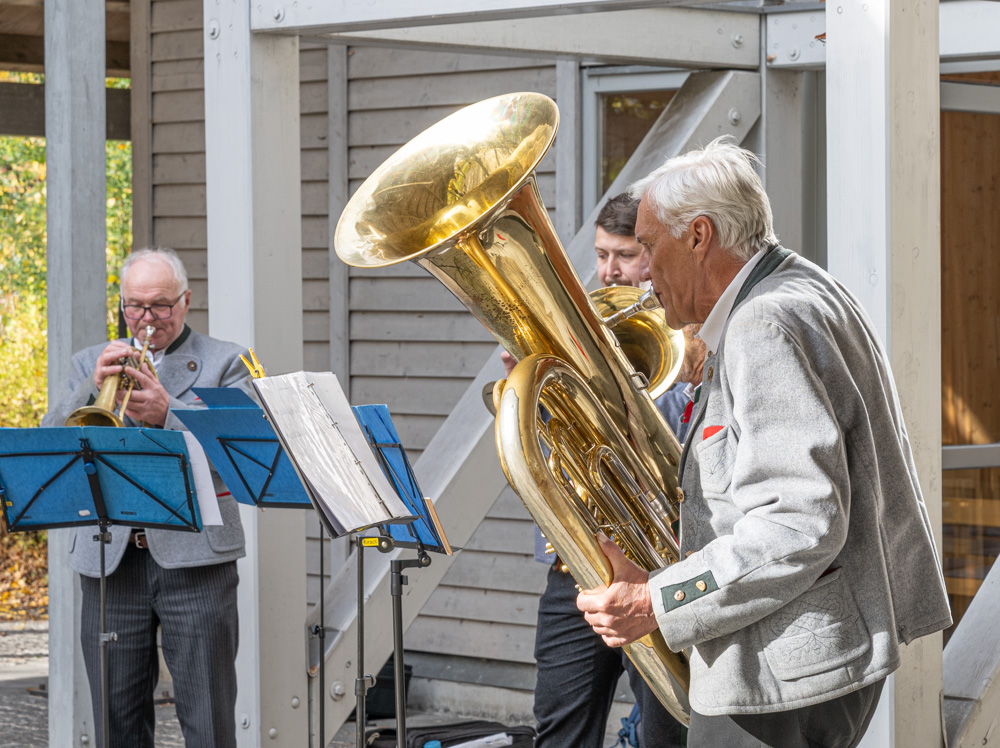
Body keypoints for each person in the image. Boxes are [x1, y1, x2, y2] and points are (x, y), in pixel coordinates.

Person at [576, 138, 952, 748]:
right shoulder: (803, 285)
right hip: (799, 649)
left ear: (699, 236)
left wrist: (657, 599)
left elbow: (798, 524)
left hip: (778, 661)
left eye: (648, 246)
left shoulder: (762, 323)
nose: (641, 271)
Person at [505, 194, 697, 748]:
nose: (609, 271)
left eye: (625, 256)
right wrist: (535, 392)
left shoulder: (687, 336)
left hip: (660, 563)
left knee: (666, 727)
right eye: (601, 255)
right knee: (559, 725)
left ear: (653, 258)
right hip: (583, 561)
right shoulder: (574, 334)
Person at [42, 247, 250, 748]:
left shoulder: (227, 361)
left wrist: (168, 413)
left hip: (196, 562)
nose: (146, 319)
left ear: (185, 302)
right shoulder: (89, 362)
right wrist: (92, 390)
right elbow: (52, 442)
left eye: (159, 305)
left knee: (207, 718)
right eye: (134, 306)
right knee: (116, 722)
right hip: (109, 561)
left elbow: (238, 456)